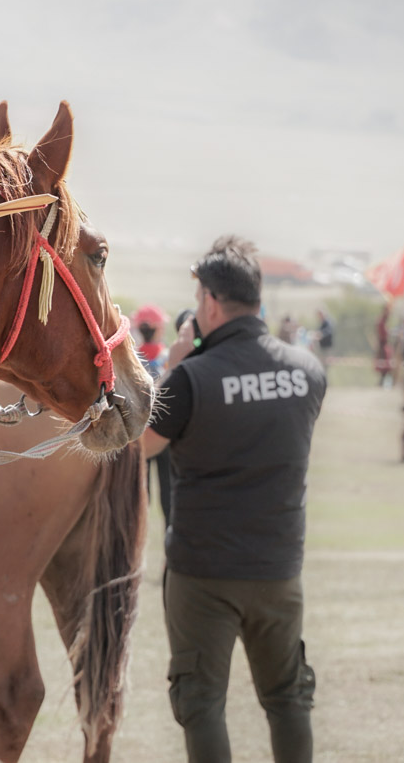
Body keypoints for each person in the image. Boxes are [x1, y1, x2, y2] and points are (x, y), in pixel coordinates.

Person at [141, 236, 325, 763]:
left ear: (210, 305)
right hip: (278, 569)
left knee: (201, 704)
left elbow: (140, 449)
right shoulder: (308, 371)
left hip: (204, 574)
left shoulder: (192, 379)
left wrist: (173, 367)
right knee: (289, 699)